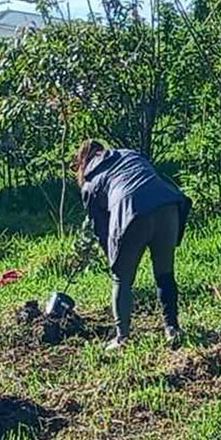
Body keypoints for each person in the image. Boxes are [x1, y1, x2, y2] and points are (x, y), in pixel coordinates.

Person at [76, 140, 191, 353]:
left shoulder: (90, 183)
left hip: (132, 216)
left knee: (121, 279)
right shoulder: (129, 154)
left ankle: (122, 338)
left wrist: (113, 259)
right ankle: (172, 329)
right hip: (168, 207)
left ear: (84, 163)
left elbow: (101, 229)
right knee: (164, 273)